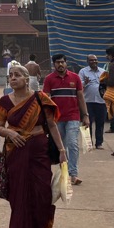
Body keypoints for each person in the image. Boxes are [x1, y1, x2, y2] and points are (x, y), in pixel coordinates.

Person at [0, 62, 66, 228]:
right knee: (20, 198)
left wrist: (62, 150)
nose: (13, 78)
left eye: (17, 75)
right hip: (15, 153)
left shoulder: (40, 98)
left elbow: (51, 125)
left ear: (27, 79)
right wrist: (9, 131)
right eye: (10, 75)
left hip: (38, 151)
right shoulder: (5, 101)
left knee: (42, 196)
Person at [42, 53, 88, 185]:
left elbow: (80, 97)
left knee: (72, 144)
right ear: (54, 64)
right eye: (57, 62)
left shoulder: (75, 78)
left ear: (66, 63)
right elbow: (46, 99)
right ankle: (64, 172)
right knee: (61, 146)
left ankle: (73, 174)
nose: (60, 64)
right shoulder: (49, 79)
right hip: (56, 119)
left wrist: (85, 115)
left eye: (62, 62)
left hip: (73, 116)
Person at [78, 54, 107, 151]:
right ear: (87, 62)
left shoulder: (103, 72)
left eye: (95, 60)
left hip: (101, 101)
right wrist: (85, 83)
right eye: (91, 60)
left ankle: (99, 143)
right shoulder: (83, 72)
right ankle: (88, 144)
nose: (94, 62)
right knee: (87, 123)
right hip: (87, 102)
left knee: (100, 123)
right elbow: (78, 86)